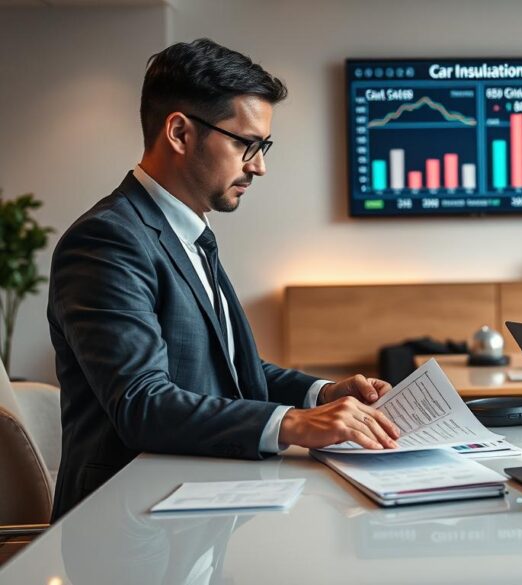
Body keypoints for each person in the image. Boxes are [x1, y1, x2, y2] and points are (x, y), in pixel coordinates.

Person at [47, 38, 400, 520]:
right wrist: (295, 423)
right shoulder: (107, 239)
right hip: (129, 523)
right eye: (245, 144)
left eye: (263, 146)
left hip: (201, 501)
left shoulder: (189, 231)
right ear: (179, 132)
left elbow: (228, 370)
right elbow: (142, 403)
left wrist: (319, 394)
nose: (259, 165)